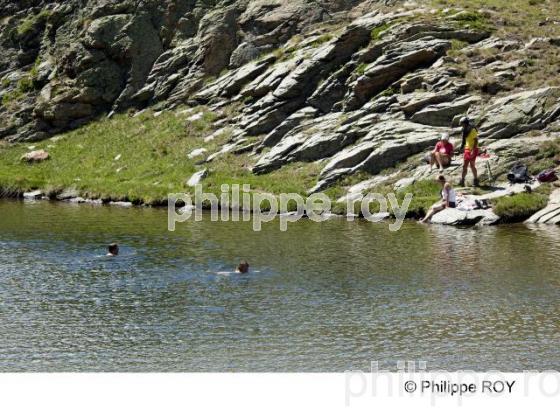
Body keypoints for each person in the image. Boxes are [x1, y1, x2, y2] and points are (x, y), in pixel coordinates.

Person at [458, 116, 479, 187]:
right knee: (465, 166)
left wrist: (473, 150)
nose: (461, 125)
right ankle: (462, 180)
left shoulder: (472, 129)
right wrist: (461, 148)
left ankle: (476, 180)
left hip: (473, 149)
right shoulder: (464, 130)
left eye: (462, 124)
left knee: (472, 165)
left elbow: (476, 140)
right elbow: (464, 140)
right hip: (467, 149)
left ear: (465, 123)